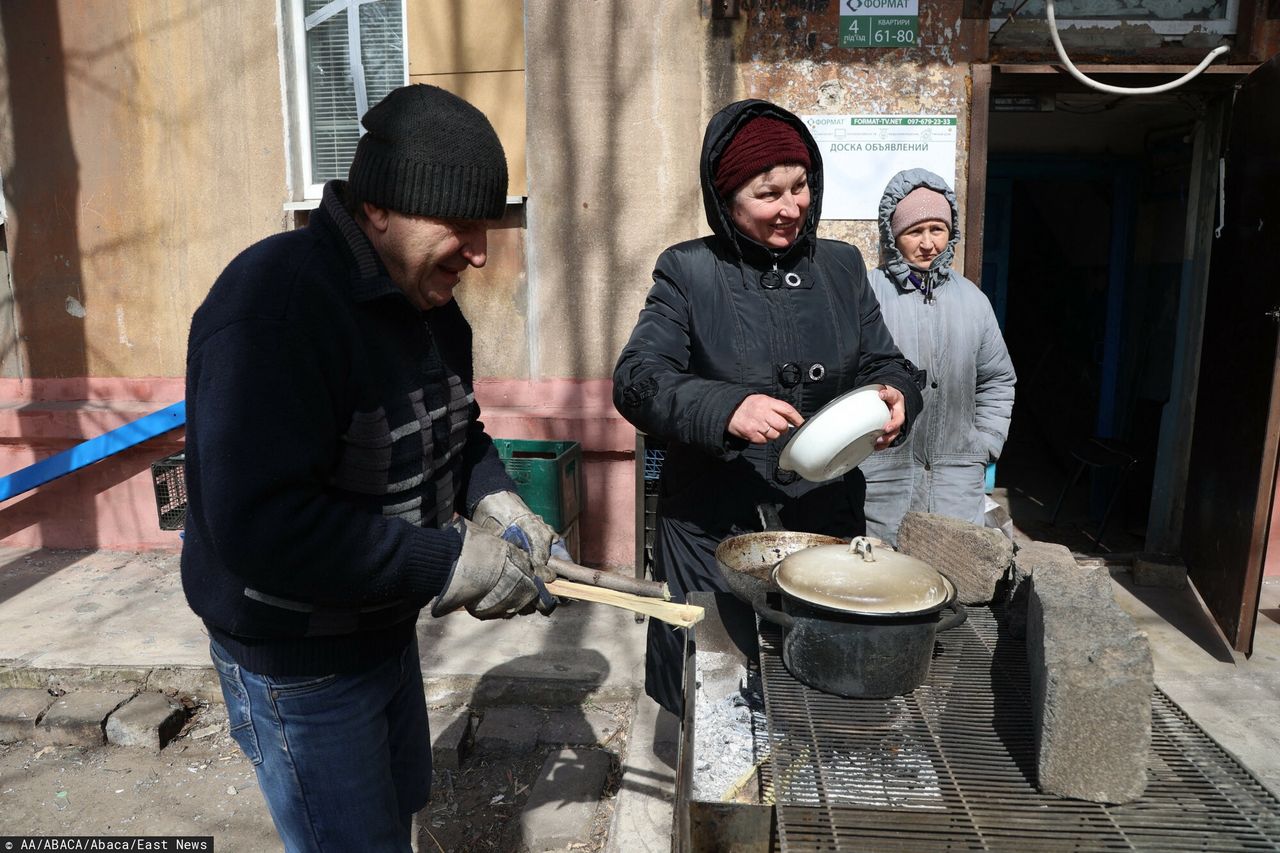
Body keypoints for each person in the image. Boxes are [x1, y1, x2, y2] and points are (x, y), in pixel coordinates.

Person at [181, 84, 565, 852]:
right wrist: (451, 559)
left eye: (485, 224)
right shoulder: (275, 307)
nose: (481, 251)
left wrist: (499, 504)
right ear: (380, 209)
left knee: (395, 817)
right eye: (461, 223)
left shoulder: (427, 306)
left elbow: (461, 433)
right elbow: (263, 527)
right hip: (299, 663)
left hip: (381, 631)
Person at [612, 100, 924, 715]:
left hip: (824, 524)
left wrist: (897, 396)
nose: (792, 208)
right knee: (714, 702)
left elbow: (884, 362)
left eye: (801, 186)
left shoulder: (839, 266)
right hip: (714, 529)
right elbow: (638, 380)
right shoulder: (689, 271)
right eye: (768, 194)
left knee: (816, 690)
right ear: (726, 199)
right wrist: (725, 406)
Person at [860, 168, 1016, 545]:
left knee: (952, 583)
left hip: (956, 478)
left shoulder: (973, 300)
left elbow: (997, 378)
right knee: (883, 581)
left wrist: (984, 442)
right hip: (882, 476)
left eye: (937, 229)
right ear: (893, 235)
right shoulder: (866, 294)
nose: (928, 243)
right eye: (915, 231)